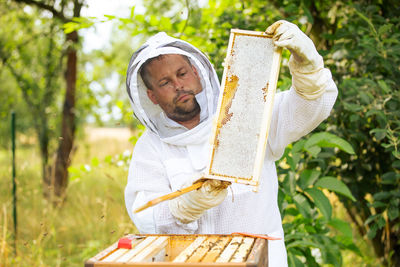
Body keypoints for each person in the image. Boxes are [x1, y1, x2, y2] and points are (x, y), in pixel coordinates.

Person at [124, 20, 338, 266]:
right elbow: (144, 215)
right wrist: (183, 208)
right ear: (151, 96)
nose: (178, 85)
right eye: (164, 82)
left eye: (181, 73)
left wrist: (307, 67)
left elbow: (310, 108)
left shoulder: (247, 111)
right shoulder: (151, 147)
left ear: (195, 72)